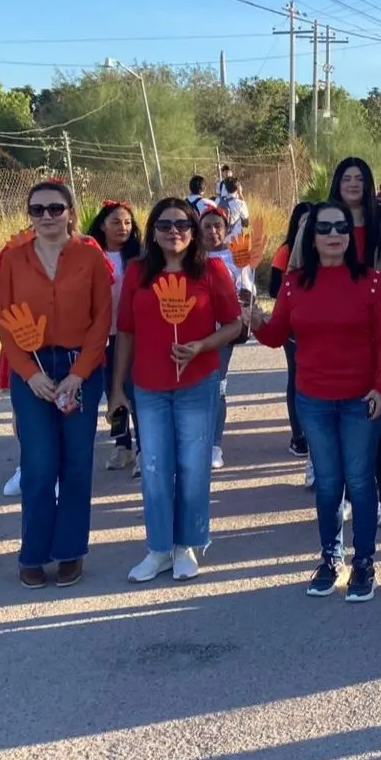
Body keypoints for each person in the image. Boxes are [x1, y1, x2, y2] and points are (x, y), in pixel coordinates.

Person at [250, 202, 381, 601]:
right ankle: (331, 559)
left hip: (360, 399)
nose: (334, 234)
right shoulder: (294, 284)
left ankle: (364, 562)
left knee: (361, 482)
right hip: (313, 399)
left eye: (342, 227)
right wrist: (256, 321)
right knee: (329, 483)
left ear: (350, 235)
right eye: (325, 227)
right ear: (310, 237)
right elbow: (278, 335)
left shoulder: (369, 281)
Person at [109, 199, 244, 583]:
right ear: (152, 231)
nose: (174, 231)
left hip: (196, 384)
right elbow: (126, 332)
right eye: (165, 224)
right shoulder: (137, 272)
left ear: (194, 229)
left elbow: (233, 324)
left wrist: (202, 345)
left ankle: (187, 545)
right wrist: (118, 387)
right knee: (154, 468)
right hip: (148, 386)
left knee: (191, 466)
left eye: (183, 224)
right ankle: (158, 548)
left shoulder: (211, 270)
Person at [0, 180, 112, 589]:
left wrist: (79, 373)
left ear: (70, 211)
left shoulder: (89, 256)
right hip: (34, 371)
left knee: (77, 463)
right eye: (38, 209)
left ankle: (70, 551)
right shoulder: (13, 259)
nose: (46, 216)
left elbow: (102, 319)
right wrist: (30, 375)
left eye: (55, 209)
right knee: (39, 464)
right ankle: (33, 553)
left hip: (81, 365)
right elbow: (5, 322)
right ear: (28, 214)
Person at [290, 157, 381, 528]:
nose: (354, 183)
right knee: (333, 419)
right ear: (337, 183)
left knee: (375, 415)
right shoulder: (318, 221)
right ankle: (344, 493)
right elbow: (297, 271)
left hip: (377, 333)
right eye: (347, 178)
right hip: (328, 336)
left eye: (361, 178)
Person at [87, 200, 143, 473]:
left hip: (133, 334)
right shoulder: (90, 256)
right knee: (113, 389)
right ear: (102, 226)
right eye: (116, 222)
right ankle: (123, 446)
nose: (123, 228)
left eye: (127, 223)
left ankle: (145, 448)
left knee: (135, 389)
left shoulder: (141, 258)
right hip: (102, 334)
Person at [199, 205, 247, 469]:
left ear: (226, 230)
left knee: (217, 386)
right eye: (207, 226)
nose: (212, 231)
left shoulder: (236, 257)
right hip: (192, 332)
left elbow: (246, 290)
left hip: (222, 334)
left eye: (218, 226)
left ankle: (215, 445)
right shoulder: (189, 256)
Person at [270, 202, 313, 485]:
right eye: (303, 221)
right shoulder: (285, 252)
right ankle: (299, 436)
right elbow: (274, 288)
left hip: (319, 326)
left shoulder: (325, 252)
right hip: (291, 326)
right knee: (296, 378)